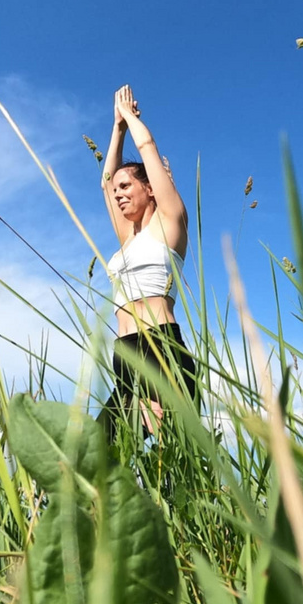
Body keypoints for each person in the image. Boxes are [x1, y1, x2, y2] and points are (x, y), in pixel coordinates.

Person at [98, 84, 198, 440]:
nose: (118, 194)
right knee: (99, 452)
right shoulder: (128, 238)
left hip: (161, 349)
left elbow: (148, 148)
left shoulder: (170, 223)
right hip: (125, 353)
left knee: (171, 454)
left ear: (151, 189)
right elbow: (105, 182)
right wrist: (117, 129)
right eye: (118, 190)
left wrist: (130, 117)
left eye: (127, 186)